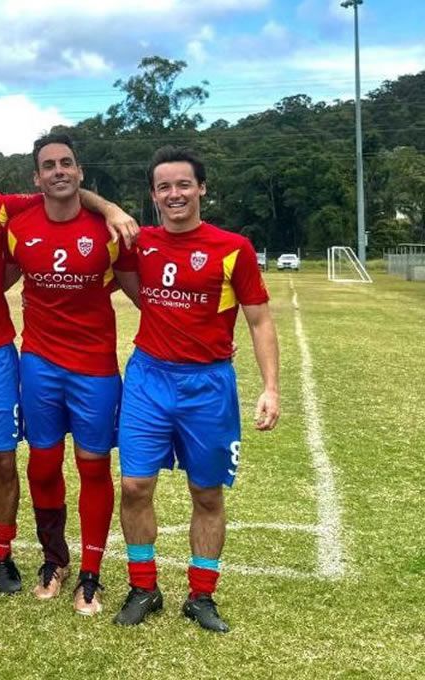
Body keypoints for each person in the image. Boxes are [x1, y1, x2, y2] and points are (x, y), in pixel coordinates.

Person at [0, 136, 136, 594]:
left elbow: (66, 192)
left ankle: (4, 554)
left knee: (3, 460)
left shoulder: (2, 210)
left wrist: (112, 208)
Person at [113, 146, 279, 633]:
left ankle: (201, 596)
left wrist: (271, 388)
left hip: (207, 385)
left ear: (201, 188)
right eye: (164, 186)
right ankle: (144, 587)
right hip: (148, 377)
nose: (174, 193)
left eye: (183, 184)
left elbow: (260, 319)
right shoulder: (138, 242)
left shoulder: (233, 248)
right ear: (153, 195)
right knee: (134, 485)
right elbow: (121, 277)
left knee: (206, 494)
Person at [6, 133, 139, 614]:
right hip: (39, 363)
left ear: (80, 173)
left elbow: (142, 293)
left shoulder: (109, 230)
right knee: (42, 465)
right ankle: (53, 560)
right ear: (36, 177)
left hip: (95, 368)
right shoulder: (18, 227)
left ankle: (91, 574)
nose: (59, 171)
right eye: (49, 165)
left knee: (93, 467)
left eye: (67, 163)